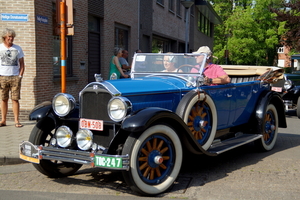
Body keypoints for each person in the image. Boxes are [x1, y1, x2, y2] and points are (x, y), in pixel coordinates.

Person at [0, 28, 25, 128]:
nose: (11, 38)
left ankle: (16, 121)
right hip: (2, 77)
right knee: (3, 99)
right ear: (4, 37)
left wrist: (20, 76)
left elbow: (22, 63)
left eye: (12, 37)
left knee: (15, 99)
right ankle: (3, 120)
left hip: (15, 77)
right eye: (9, 36)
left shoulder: (18, 48)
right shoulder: (0, 48)